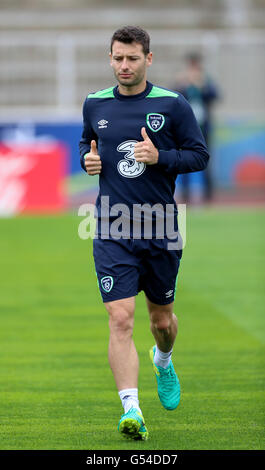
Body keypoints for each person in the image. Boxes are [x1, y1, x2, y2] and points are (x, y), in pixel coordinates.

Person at [79, 26, 209, 441]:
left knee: (161, 320)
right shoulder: (94, 103)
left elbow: (199, 156)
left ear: (148, 59)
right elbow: (88, 144)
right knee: (120, 317)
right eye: (117, 57)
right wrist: (88, 160)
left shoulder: (172, 104)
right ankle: (131, 409)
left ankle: (164, 360)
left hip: (161, 227)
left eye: (132, 58)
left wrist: (160, 156)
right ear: (111, 57)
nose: (123, 65)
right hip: (112, 225)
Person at [176, 52, 219, 202]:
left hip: (204, 128)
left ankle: (208, 196)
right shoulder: (183, 82)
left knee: (206, 160)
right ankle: (186, 194)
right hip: (186, 129)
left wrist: (202, 86)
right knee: (185, 160)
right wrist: (185, 84)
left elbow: (215, 96)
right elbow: (174, 97)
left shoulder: (206, 81)